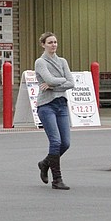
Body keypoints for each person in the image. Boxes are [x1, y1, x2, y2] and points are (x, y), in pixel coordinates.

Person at [34, 32, 75, 190]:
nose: (53, 45)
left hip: (61, 104)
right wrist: (58, 81)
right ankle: (57, 179)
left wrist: (53, 85)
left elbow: (71, 83)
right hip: (46, 105)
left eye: (55, 42)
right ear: (43, 44)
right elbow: (49, 79)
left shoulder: (62, 61)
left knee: (65, 143)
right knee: (56, 141)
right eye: (50, 42)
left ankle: (45, 163)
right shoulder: (41, 62)